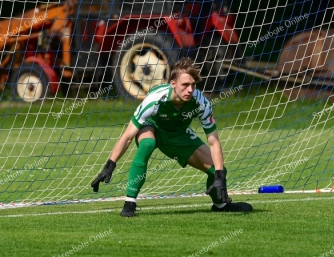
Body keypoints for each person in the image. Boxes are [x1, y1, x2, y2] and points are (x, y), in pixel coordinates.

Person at [90, 57, 253, 217]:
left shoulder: (201, 102)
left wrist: (219, 176)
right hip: (152, 125)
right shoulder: (155, 100)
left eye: (193, 85)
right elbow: (127, 136)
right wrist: (110, 165)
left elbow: (213, 141)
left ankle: (221, 205)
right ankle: (129, 203)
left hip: (178, 133)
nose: (190, 89)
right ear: (173, 84)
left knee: (217, 168)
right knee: (147, 144)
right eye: (185, 85)